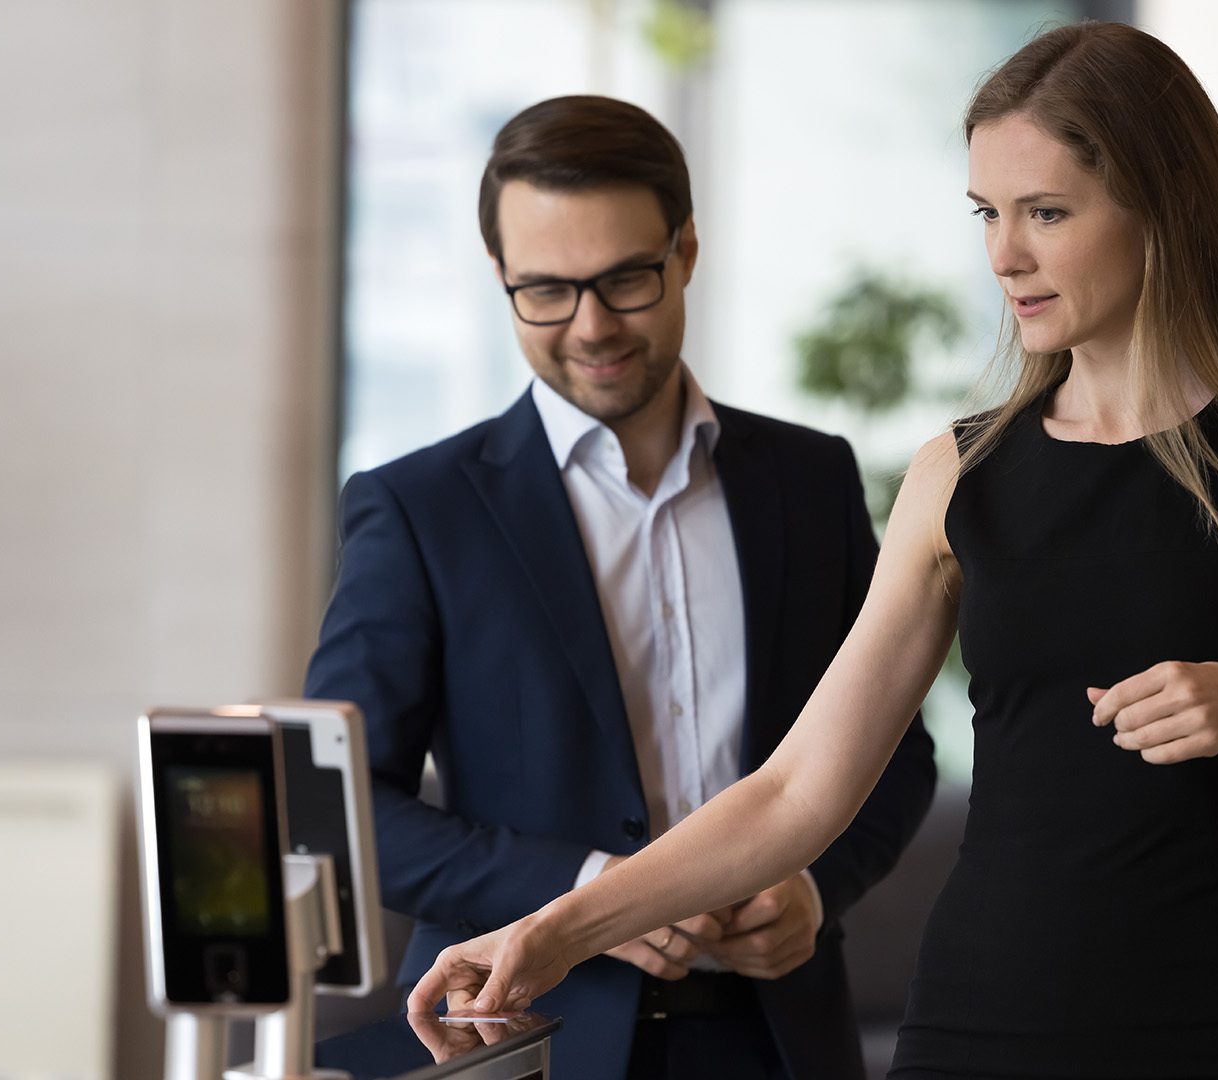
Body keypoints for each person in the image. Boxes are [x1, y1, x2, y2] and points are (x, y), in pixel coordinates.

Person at [407, 23, 1218, 1080]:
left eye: (1047, 212)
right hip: (970, 1029)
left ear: (1166, 206)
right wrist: (556, 931)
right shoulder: (957, 475)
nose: (1006, 255)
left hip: (1211, 1031)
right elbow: (796, 794)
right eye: (988, 214)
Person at [304, 94, 937, 1080]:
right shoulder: (418, 508)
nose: (590, 326)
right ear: (500, 278)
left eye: (625, 280)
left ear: (685, 251)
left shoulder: (808, 481)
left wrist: (815, 882)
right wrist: (595, 898)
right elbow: (336, 811)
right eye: (545, 291)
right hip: (523, 1034)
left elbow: (894, 756)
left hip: (775, 1036)